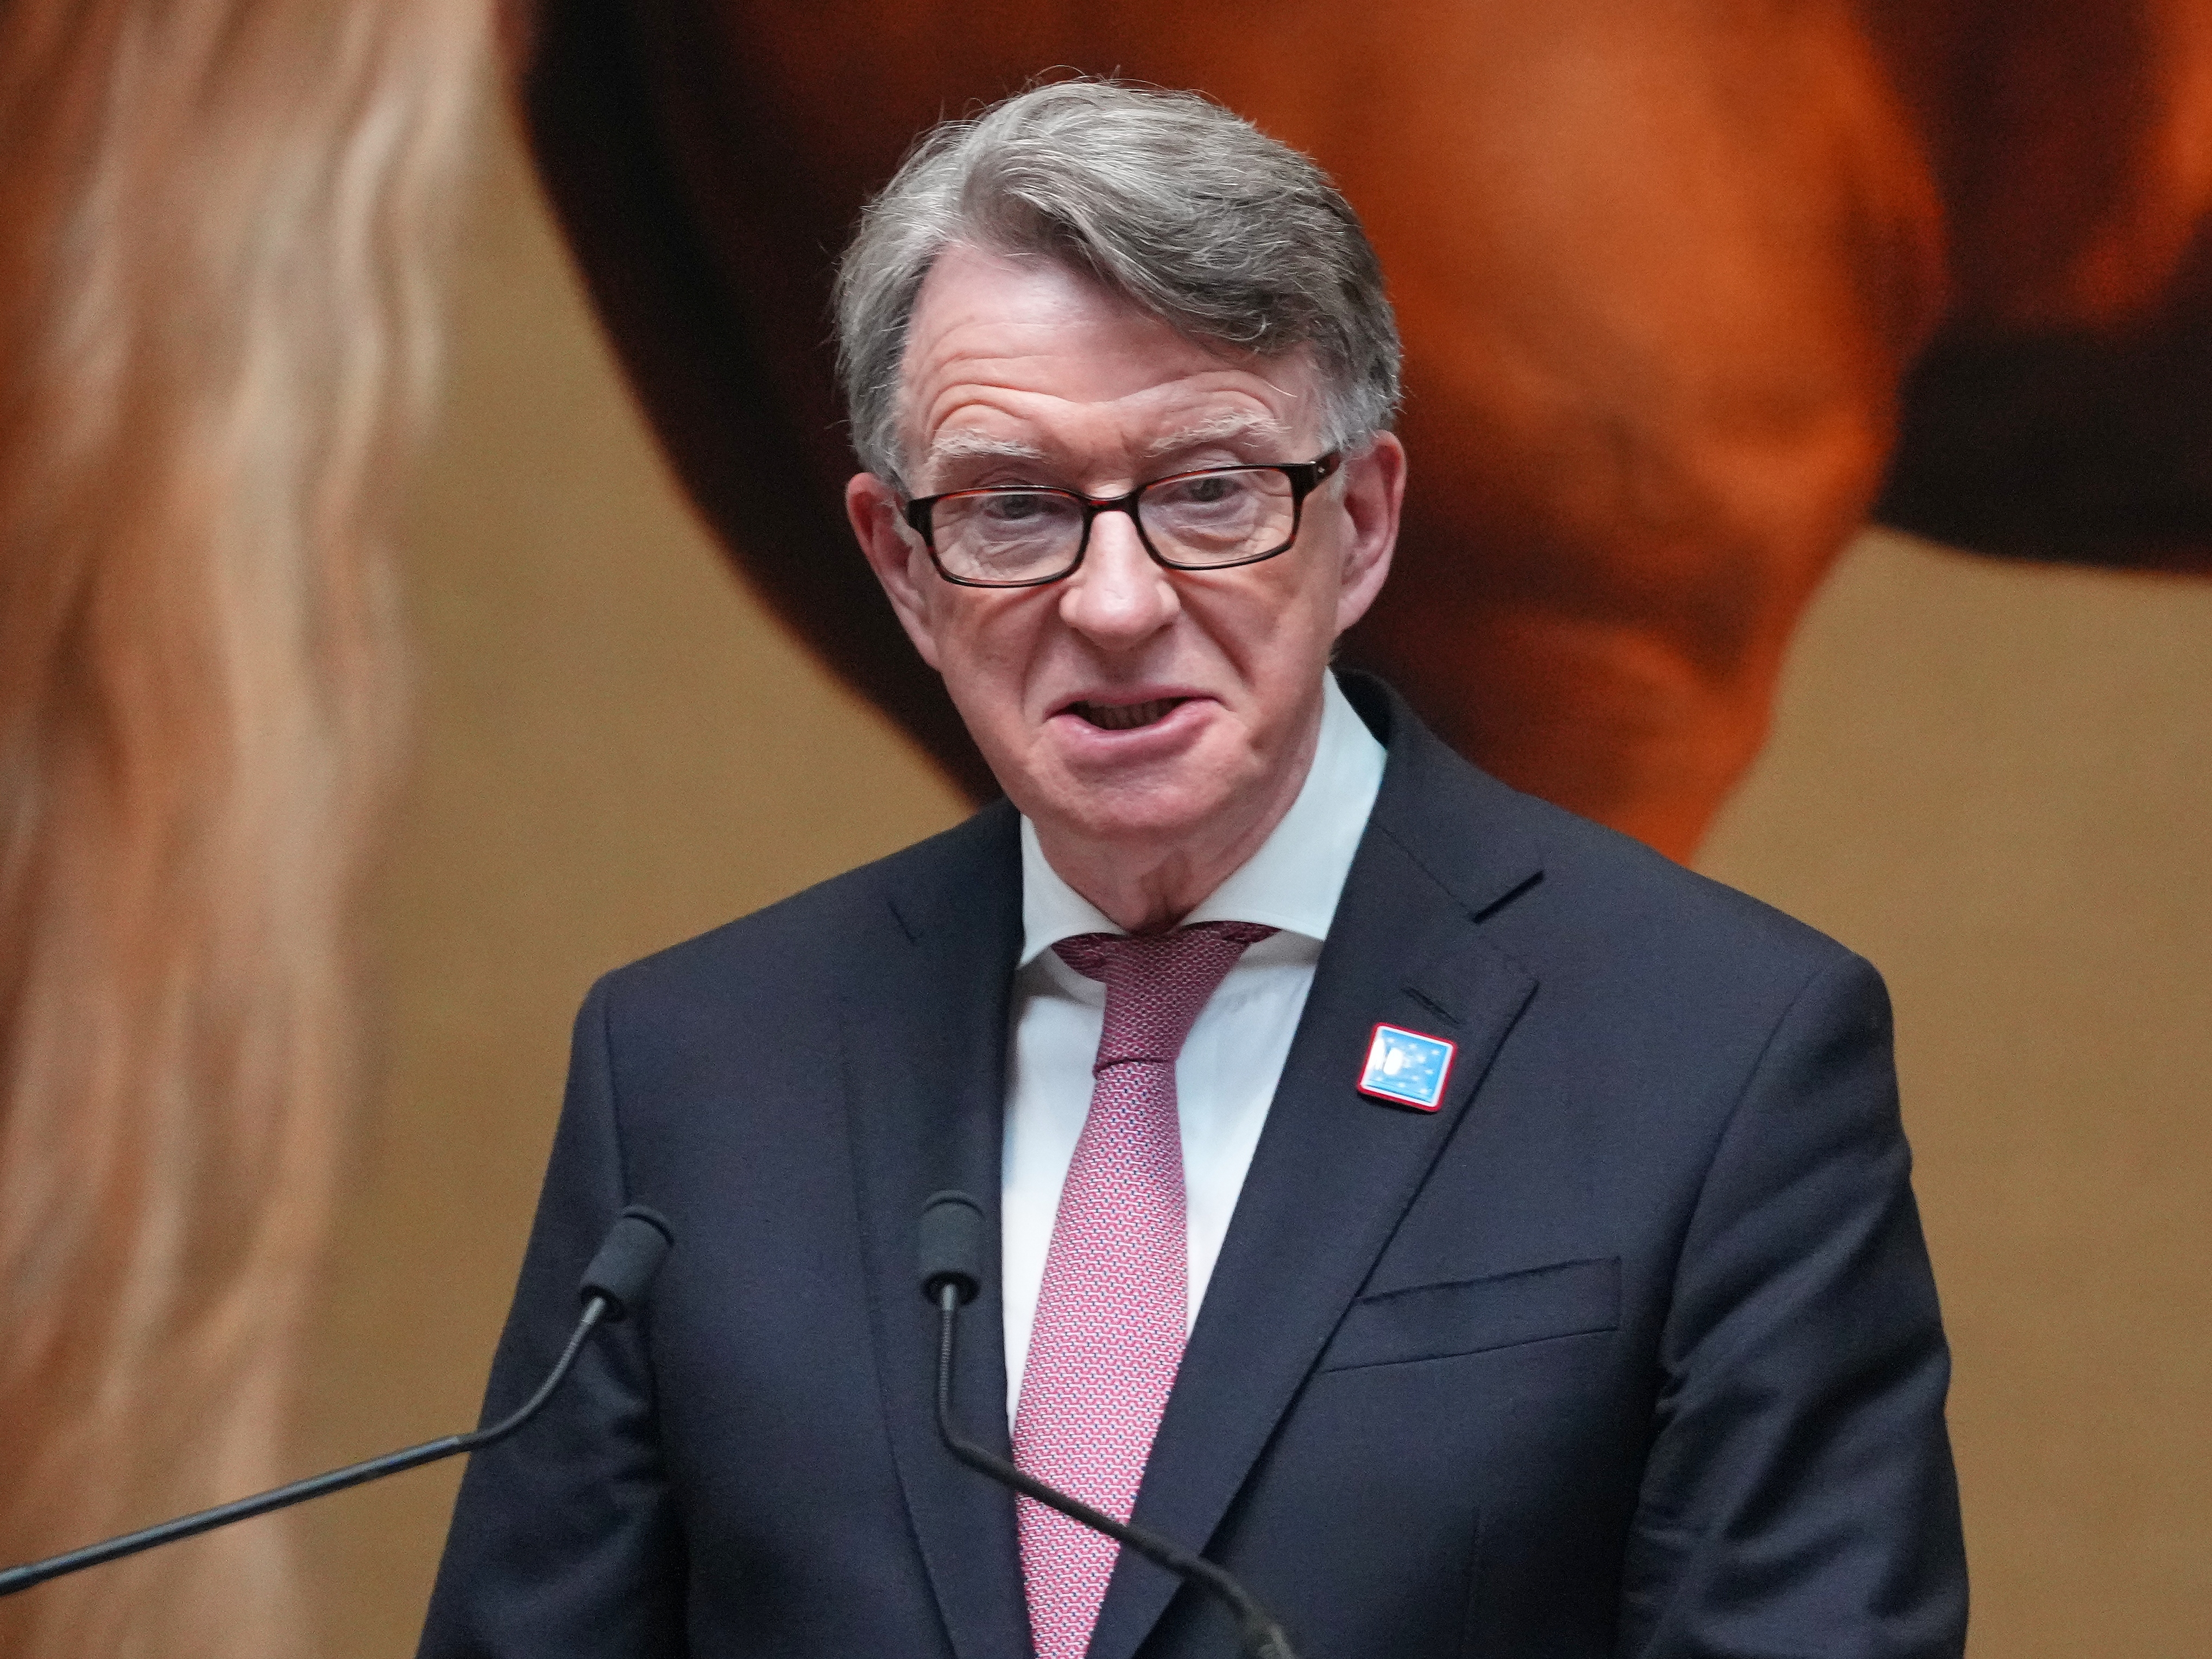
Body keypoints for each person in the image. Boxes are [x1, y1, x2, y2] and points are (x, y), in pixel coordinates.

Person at [418, 80, 1965, 1659]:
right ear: (901, 564)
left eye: (1207, 494)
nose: (1110, 602)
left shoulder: (1719, 1054)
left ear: (1357, 523)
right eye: (1013, 507)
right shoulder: (694, 1069)